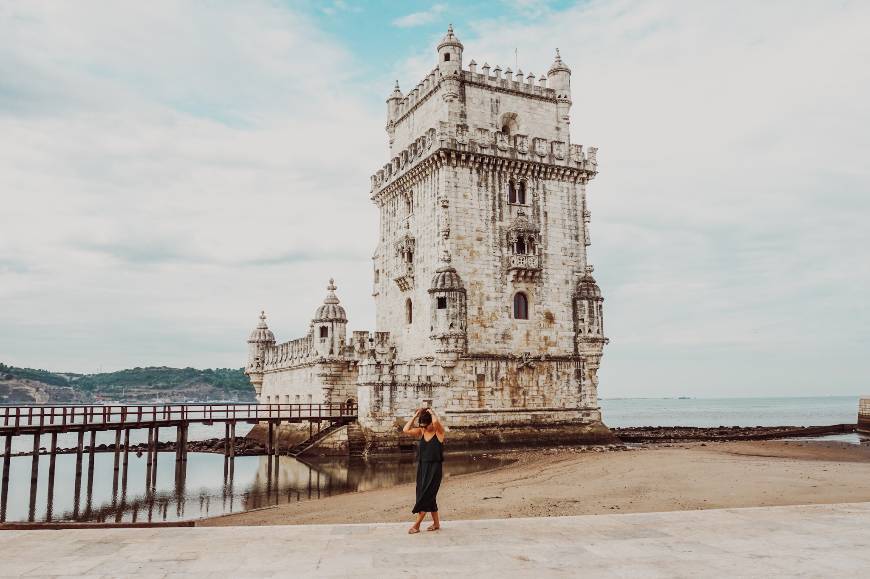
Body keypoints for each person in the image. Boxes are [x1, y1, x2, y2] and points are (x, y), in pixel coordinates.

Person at [402, 407, 445, 534]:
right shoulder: (421, 431)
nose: (425, 428)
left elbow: (436, 423)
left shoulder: (439, 433)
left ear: (431, 422)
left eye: (426, 425)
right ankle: (436, 524)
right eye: (423, 426)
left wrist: (431, 412)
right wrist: (416, 415)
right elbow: (405, 429)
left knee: (426, 495)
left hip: (434, 468)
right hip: (422, 468)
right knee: (426, 495)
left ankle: (416, 525)